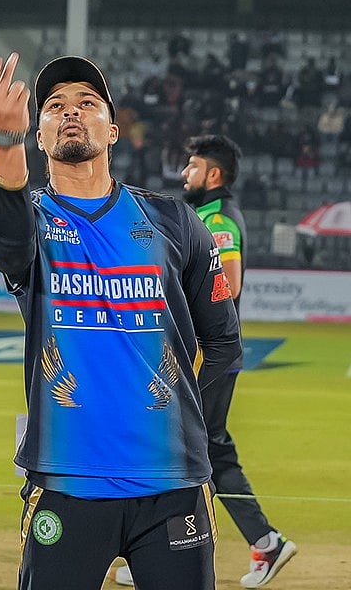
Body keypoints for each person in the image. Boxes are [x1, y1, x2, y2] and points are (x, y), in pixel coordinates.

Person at [0, 54, 242, 590]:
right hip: (66, 484)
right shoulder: (29, 220)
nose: (71, 112)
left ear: (113, 129)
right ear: (40, 135)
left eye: (87, 103)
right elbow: (6, 246)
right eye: (54, 106)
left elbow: (223, 342)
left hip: (173, 490)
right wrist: (5, 140)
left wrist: (194, 432)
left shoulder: (173, 220)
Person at [129, 135, 300, 588]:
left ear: (214, 174)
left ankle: (149, 547)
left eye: (192, 166)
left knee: (173, 442)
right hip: (204, 355)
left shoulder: (217, 219)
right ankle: (264, 540)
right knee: (209, 446)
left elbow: (230, 283)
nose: (185, 173)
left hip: (209, 355)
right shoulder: (203, 215)